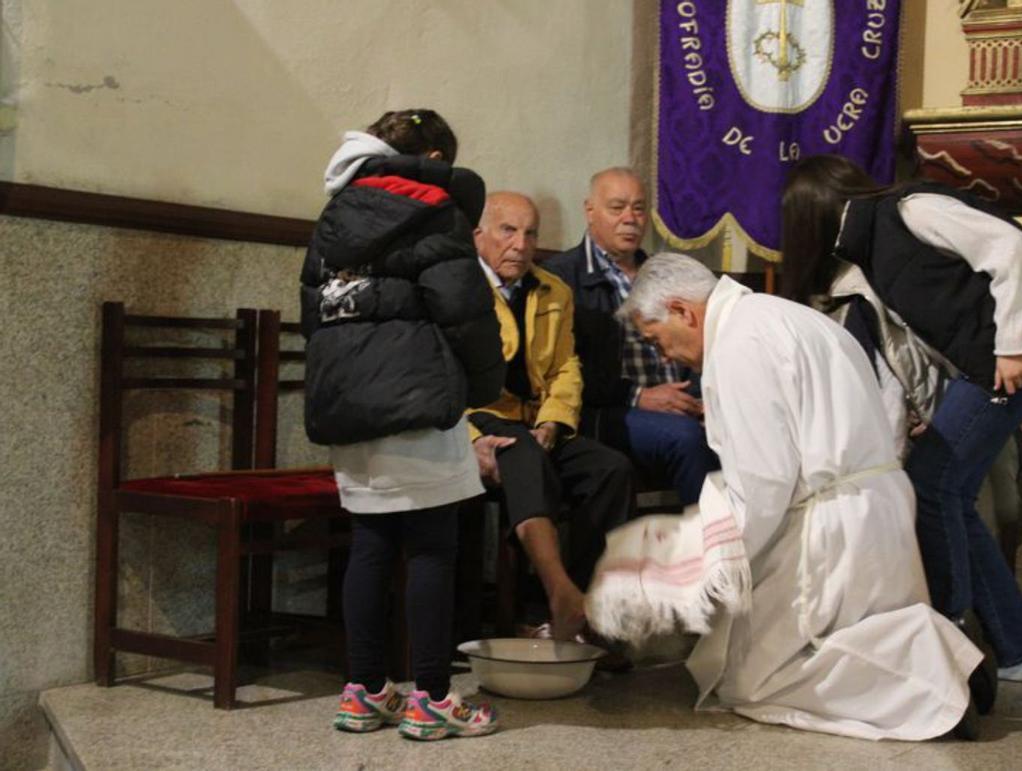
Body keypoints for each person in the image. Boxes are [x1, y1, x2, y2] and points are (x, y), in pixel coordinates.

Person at [589, 253, 981, 740]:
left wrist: (711, 562)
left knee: (759, 681)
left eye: (657, 340)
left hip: (832, 523)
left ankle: (933, 679)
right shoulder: (786, 315)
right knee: (760, 653)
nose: (666, 356)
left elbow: (765, 481)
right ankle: (946, 667)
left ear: (682, 310)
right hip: (873, 502)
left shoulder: (737, 344)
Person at [778, 154, 1022, 686]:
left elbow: (1006, 248)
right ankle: (1019, 651)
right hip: (994, 361)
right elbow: (921, 347)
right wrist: (938, 413)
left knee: (935, 486)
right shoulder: (869, 257)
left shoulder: (910, 210)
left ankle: (953, 641)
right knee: (949, 489)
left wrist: (1014, 343)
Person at [301, 109, 502, 740]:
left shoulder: (334, 216)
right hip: (417, 392)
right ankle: (435, 698)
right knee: (433, 547)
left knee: (371, 543)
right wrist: (482, 387)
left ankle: (365, 692)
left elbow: (314, 315)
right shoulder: (433, 208)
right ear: (435, 158)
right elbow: (463, 310)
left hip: (348, 399)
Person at [469, 191, 636, 640]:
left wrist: (554, 420)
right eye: (508, 230)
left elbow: (565, 367)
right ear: (478, 234)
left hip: (538, 421)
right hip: (480, 420)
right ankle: (559, 594)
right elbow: (441, 379)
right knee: (521, 453)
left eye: (531, 233)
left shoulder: (552, 290)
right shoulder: (460, 289)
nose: (521, 244)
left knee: (610, 468)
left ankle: (592, 608)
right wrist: (467, 439)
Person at [542, 168, 718, 505]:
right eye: (617, 207)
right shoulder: (562, 278)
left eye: (638, 209)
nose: (630, 219)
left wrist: (705, 398)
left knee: (732, 426)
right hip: (606, 409)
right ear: (590, 211)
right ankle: (715, 546)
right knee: (685, 438)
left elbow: (698, 341)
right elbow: (559, 368)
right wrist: (637, 396)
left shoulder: (663, 272)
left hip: (682, 401)